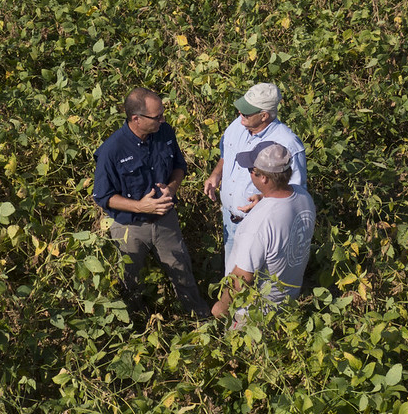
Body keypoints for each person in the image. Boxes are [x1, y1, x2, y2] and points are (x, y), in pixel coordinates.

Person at [93, 88, 211, 320]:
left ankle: (200, 320)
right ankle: (135, 326)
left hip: (165, 219)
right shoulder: (112, 150)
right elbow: (103, 196)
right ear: (136, 119)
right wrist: (140, 207)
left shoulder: (164, 132)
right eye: (157, 117)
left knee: (182, 272)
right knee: (130, 280)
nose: (163, 120)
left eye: (163, 115)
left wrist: (172, 188)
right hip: (129, 228)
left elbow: (179, 166)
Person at [203, 83, 306, 274]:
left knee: (256, 285)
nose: (241, 115)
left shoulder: (287, 144)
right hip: (229, 220)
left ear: (264, 115)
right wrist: (216, 175)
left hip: (259, 228)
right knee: (232, 280)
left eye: (247, 113)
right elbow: (227, 154)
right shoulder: (237, 125)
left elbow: (295, 194)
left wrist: (265, 199)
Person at [211, 142, 316, 323]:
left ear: (264, 178)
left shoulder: (258, 224)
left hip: (255, 314)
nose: (249, 173)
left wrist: (221, 307)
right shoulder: (303, 196)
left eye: (252, 170)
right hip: (288, 303)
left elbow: (242, 278)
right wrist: (264, 198)